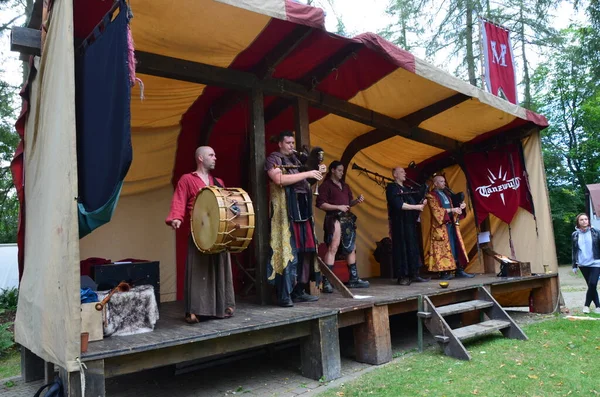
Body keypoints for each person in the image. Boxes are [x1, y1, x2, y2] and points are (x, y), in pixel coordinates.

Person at [165, 146, 235, 324]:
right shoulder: (187, 179)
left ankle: (223, 306)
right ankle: (194, 310)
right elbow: (179, 200)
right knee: (198, 271)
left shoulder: (218, 181)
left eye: (215, 154)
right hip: (199, 233)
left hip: (219, 232)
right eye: (211, 155)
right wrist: (176, 218)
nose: (215, 158)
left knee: (220, 268)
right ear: (200, 158)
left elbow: (228, 205)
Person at [265, 131, 325, 307]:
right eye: (289, 142)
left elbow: (304, 184)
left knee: (304, 251)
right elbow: (279, 179)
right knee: (287, 250)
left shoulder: (297, 160)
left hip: (302, 208)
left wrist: (316, 174)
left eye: (293, 142)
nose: (292, 145)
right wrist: (307, 174)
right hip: (286, 211)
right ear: (280, 144)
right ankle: (284, 295)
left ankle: (299, 291)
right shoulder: (273, 158)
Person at [316, 161, 369, 293]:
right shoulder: (326, 186)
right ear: (332, 170)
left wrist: (356, 201)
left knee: (351, 248)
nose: (342, 172)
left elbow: (348, 204)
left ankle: (354, 279)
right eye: (339, 170)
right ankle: (327, 281)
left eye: (342, 170)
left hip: (347, 219)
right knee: (333, 247)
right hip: (334, 218)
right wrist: (337, 207)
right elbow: (321, 204)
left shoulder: (345, 186)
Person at [386, 167, 430, 285]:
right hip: (399, 223)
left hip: (409, 222)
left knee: (412, 246)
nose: (405, 173)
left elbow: (415, 203)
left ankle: (414, 274)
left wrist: (422, 201)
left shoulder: (407, 189)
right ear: (395, 175)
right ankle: (402, 276)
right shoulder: (391, 188)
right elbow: (398, 204)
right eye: (401, 172)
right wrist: (416, 207)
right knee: (402, 247)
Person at [424, 175, 474, 280]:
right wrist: (453, 210)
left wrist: (460, 207)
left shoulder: (447, 194)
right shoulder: (431, 195)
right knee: (443, 250)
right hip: (440, 226)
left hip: (451, 225)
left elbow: (454, 207)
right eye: (441, 181)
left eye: (444, 181)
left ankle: (459, 270)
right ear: (435, 183)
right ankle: (444, 273)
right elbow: (436, 211)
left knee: (455, 247)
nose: (444, 183)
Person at [571, 213, 600, 314]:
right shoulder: (575, 234)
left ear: (588, 221)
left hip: (596, 262)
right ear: (578, 222)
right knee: (591, 286)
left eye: (586, 219)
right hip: (583, 263)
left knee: (593, 283)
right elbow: (574, 250)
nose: (584, 221)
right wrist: (574, 265)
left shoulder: (596, 232)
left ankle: (586, 305)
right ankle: (598, 306)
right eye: (582, 220)